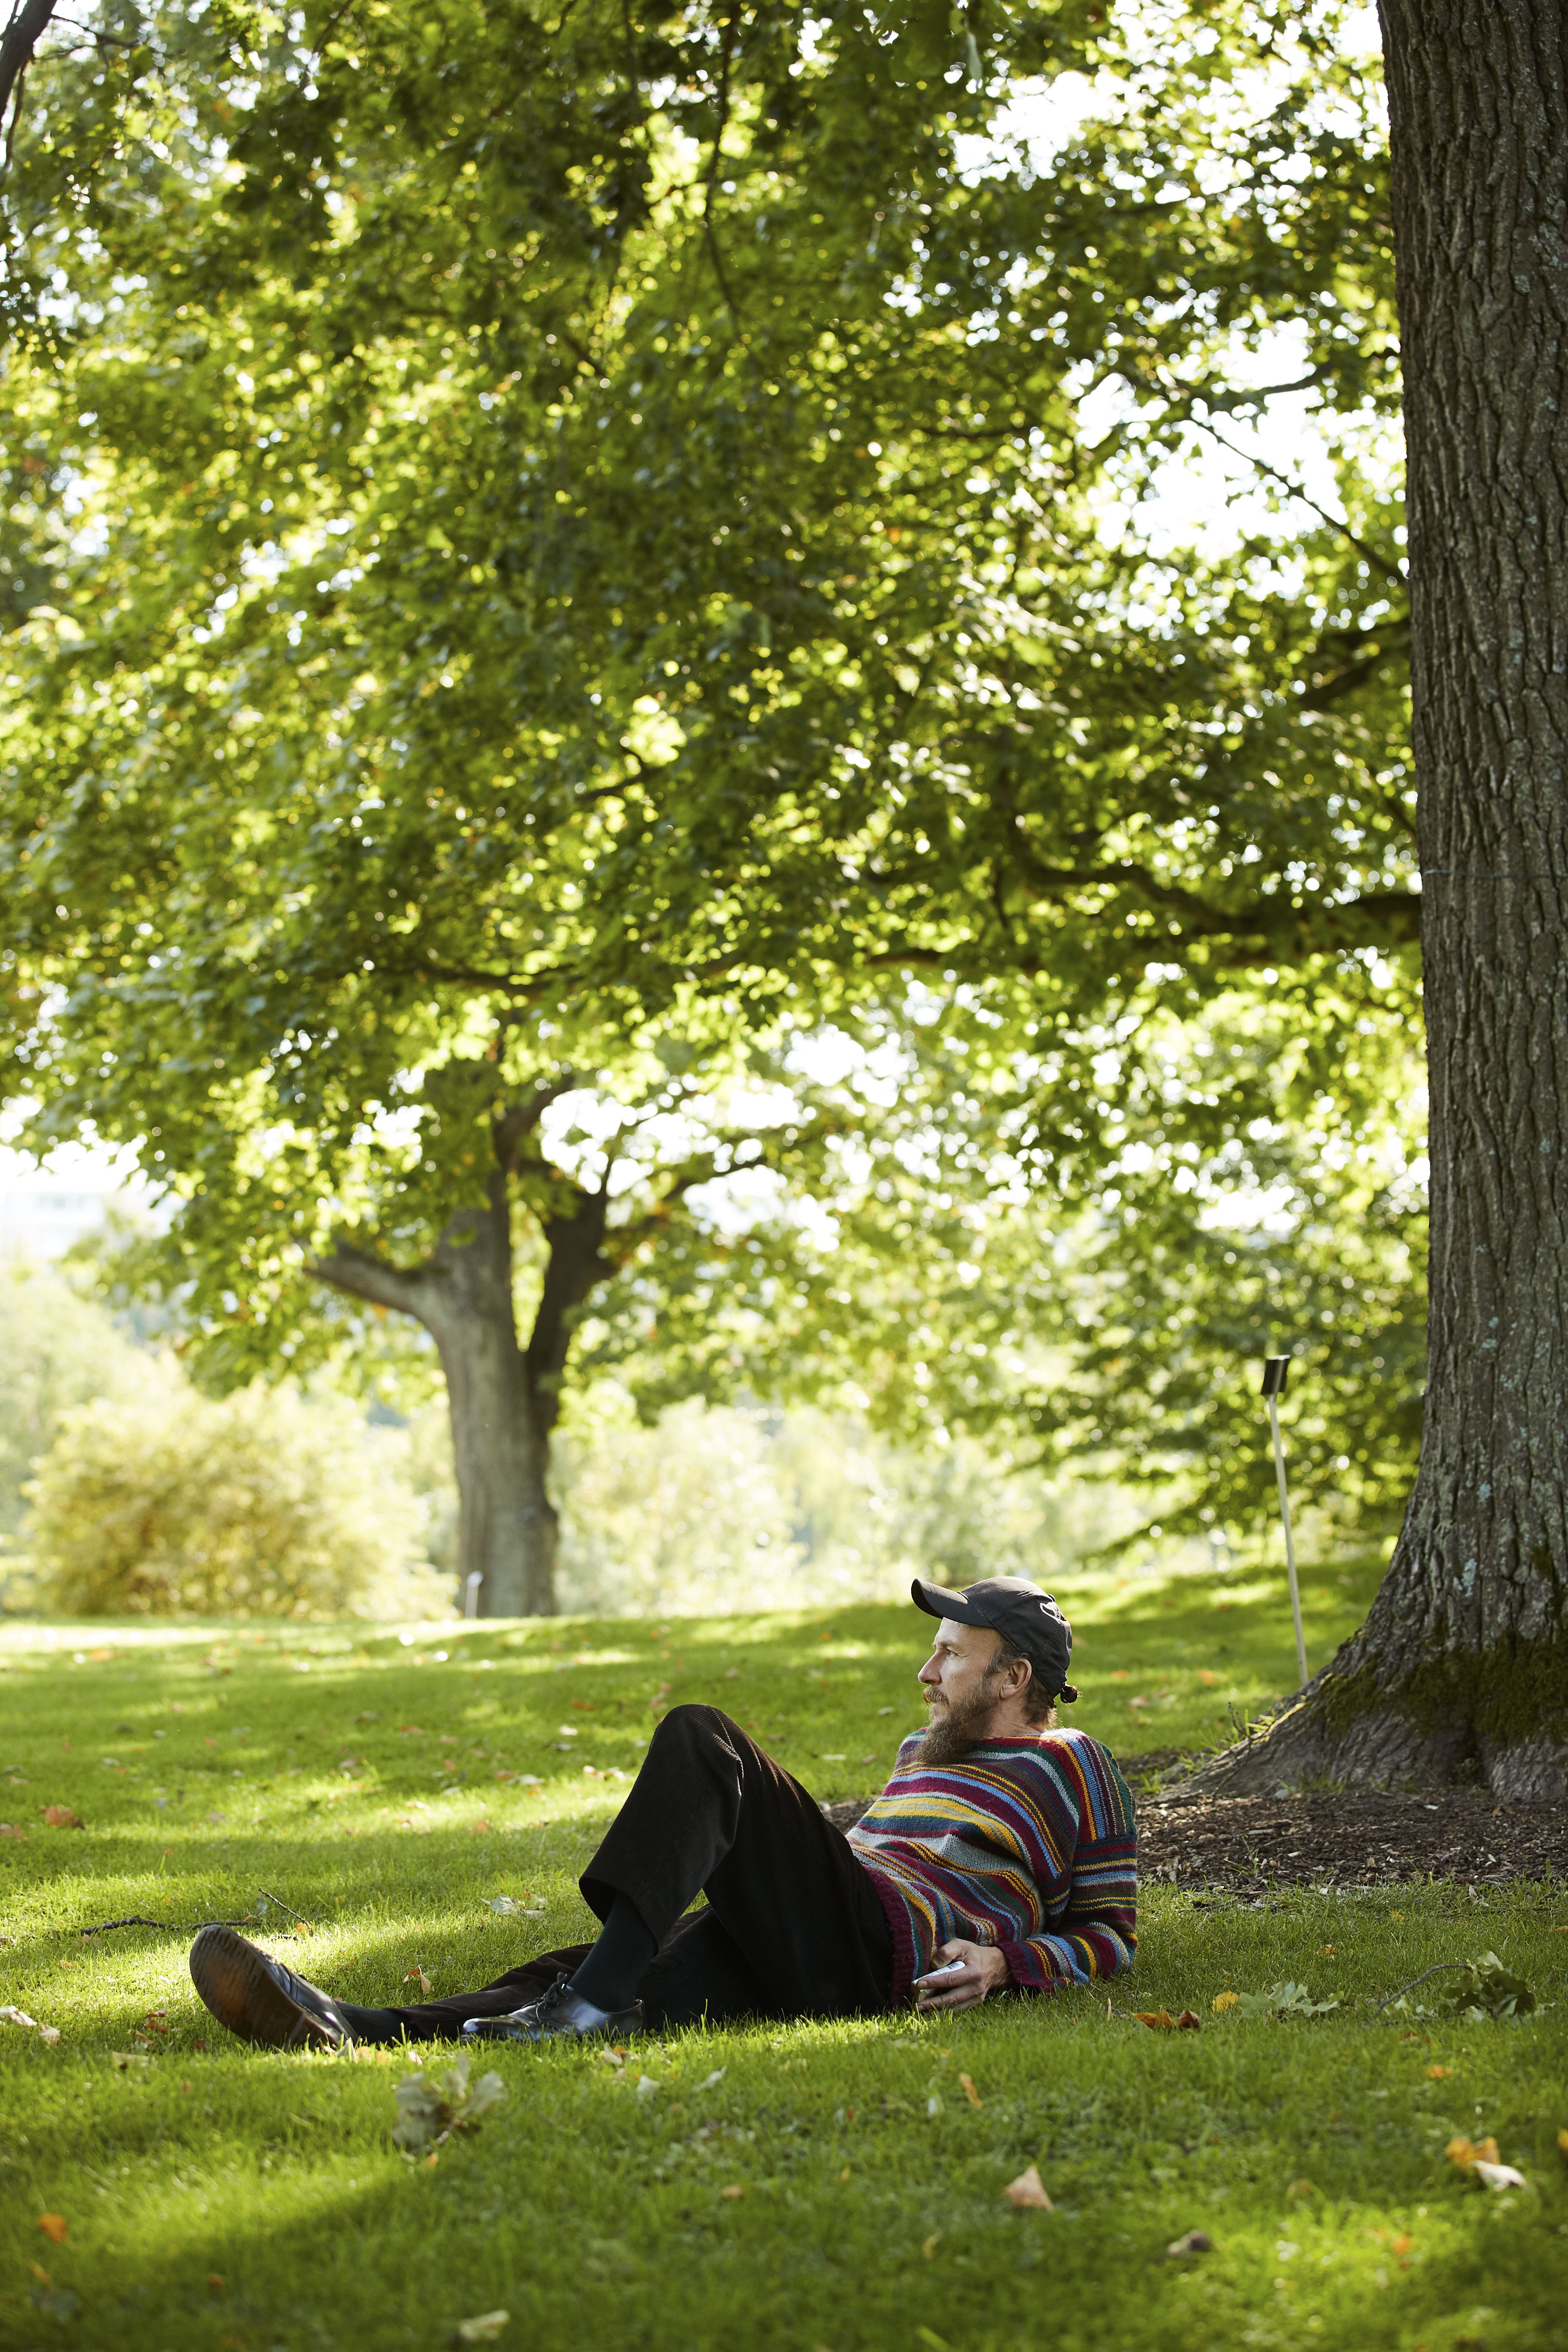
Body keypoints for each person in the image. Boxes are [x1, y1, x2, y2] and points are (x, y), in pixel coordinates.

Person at [188, 1575, 1137, 2051]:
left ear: (1016, 1676)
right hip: (826, 1943)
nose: (926, 1673)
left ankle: (592, 2003)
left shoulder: (1075, 1766)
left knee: (705, 1739)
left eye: (951, 1655)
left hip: (889, 1944)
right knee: (610, 1975)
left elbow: (1111, 1931)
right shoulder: (920, 1752)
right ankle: (357, 2025)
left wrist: (1008, 1964)